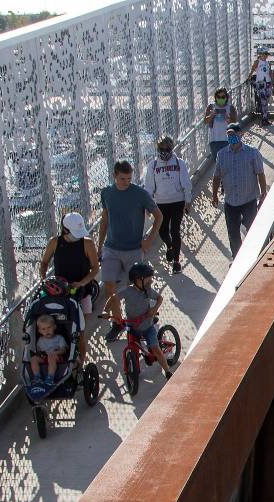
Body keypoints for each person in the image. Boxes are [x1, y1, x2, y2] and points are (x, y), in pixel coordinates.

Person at [98, 160, 162, 341]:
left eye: (129, 178)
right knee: (110, 287)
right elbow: (104, 220)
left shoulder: (140, 194)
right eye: (122, 178)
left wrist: (149, 239)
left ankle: (147, 315)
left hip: (134, 249)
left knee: (138, 286)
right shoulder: (106, 193)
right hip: (111, 248)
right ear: (114, 176)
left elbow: (158, 215)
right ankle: (118, 323)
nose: (126, 182)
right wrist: (99, 245)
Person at [39, 212, 99, 362]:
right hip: (59, 294)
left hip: (82, 292)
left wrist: (82, 283)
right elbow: (44, 262)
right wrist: (44, 278)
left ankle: (81, 365)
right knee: (59, 328)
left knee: (80, 332)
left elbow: (95, 269)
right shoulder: (54, 242)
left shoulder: (87, 243)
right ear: (65, 229)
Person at [212, 123, 268, 258]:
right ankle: (236, 258)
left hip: (248, 199)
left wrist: (263, 193)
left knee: (252, 229)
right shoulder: (222, 154)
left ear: (240, 134)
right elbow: (217, 176)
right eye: (229, 135)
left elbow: (260, 174)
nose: (232, 137)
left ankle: (254, 255)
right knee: (233, 233)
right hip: (230, 201)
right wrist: (214, 195)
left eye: (234, 134)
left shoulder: (252, 153)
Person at [110, 261, 172, 380]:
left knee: (155, 348)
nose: (151, 281)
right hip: (133, 326)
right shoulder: (127, 291)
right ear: (139, 280)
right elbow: (114, 298)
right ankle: (134, 363)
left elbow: (159, 298)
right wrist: (107, 312)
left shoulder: (148, 291)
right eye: (149, 279)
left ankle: (168, 371)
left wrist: (153, 310)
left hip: (147, 327)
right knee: (133, 345)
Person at [142, 135, 192, 274]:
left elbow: (186, 183)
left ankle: (176, 261)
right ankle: (170, 246)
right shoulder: (153, 165)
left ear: (172, 148)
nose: (164, 151)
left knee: (175, 230)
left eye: (167, 149)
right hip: (160, 203)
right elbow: (149, 186)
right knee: (162, 230)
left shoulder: (179, 163)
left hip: (177, 201)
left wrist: (188, 200)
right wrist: (148, 205)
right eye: (161, 149)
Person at [30, 314, 67, 387]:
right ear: (39, 331)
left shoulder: (59, 338)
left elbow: (64, 350)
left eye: (49, 328)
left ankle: (50, 378)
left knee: (51, 356)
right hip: (44, 357)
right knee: (33, 359)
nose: (47, 331)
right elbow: (38, 352)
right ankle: (37, 377)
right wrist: (40, 354)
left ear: (54, 327)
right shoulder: (40, 341)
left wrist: (55, 352)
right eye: (43, 329)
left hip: (57, 357)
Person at [203, 87, 238, 159]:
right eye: (218, 97)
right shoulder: (211, 106)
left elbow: (235, 123)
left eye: (223, 97)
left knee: (230, 160)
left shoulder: (230, 107)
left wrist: (227, 119)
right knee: (217, 162)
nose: (220, 99)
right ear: (215, 97)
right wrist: (212, 115)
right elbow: (205, 121)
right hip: (214, 140)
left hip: (229, 139)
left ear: (226, 97)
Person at [248, 48, 274, 126]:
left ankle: (264, 116)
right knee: (263, 101)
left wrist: (273, 83)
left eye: (266, 54)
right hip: (261, 82)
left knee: (267, 97)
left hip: (267, 82)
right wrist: (249, 77)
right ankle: (264, 118)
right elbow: (253, 69)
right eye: (265, 54)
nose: (266, 56)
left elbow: (270, 73)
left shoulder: (267, 63)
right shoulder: (257, 62)